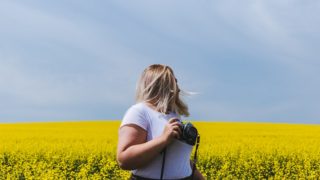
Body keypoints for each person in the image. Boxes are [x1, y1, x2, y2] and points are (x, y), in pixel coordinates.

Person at [117, 64, 205, 180]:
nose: (177, 86)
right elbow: (124, 161)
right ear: (162, 84)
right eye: (174, 80)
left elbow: (180, 161)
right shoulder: (139, 112)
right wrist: (163, 139)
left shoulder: (173, 115)